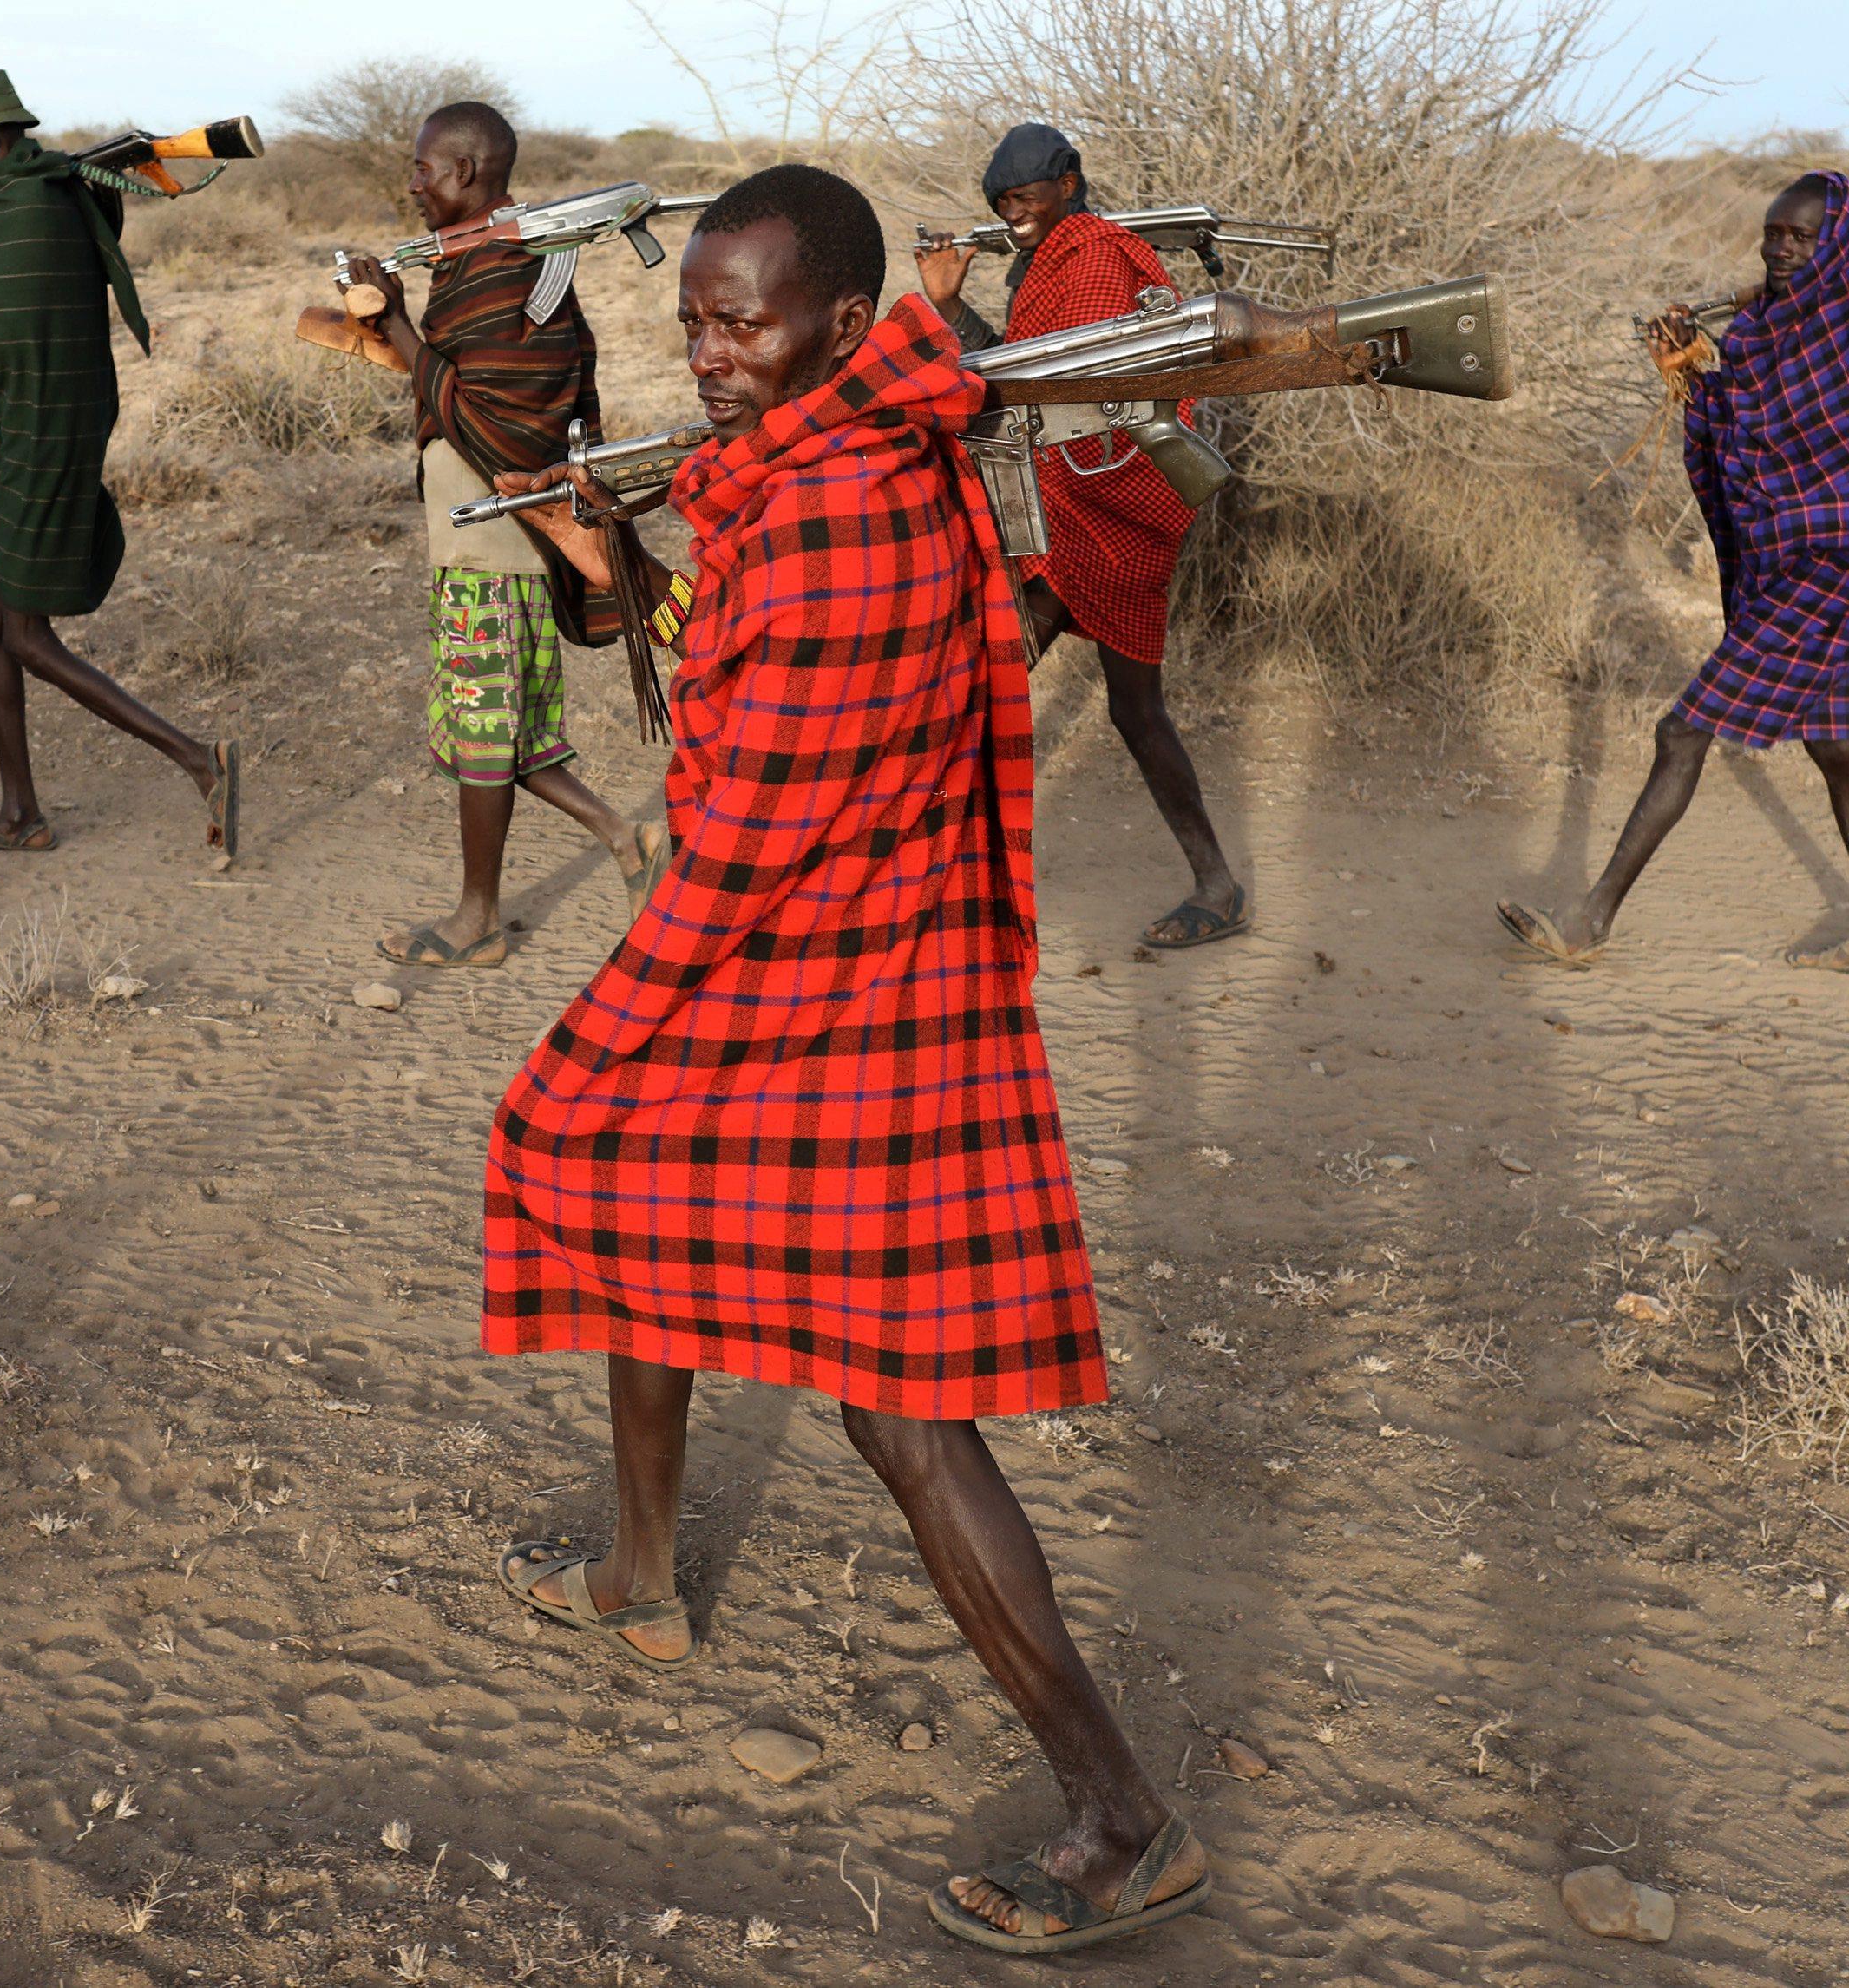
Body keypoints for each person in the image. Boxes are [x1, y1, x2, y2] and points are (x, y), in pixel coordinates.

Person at [480, 163, 1210, 1957]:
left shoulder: (836, 516)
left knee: (894, 1399)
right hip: (848, 957)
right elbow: (719, 683)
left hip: (847, 987)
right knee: (631, 1169)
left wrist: (630, 996)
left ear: (829, 321)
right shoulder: (824, 469)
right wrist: (626, 563)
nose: (709, 352)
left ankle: (1122, 1816)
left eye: (743, 323)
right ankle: (642, 1571)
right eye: (694, 320)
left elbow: (737, 806)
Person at [1499, 169, 1849, 972]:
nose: (1780, 249)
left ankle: (1589, 920)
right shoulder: (1765, 328)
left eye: (1800, 238)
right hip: (1786, 569)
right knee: (1836, 745)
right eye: (1773, 234)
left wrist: (1822, 529)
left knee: (1681, 731)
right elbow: (1743, 430)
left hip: (1834, 568)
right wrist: (1690, 371)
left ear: (1836, 242)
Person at [336, 101, 666, 968]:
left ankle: (477, 915)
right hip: (470, 549)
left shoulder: (515, 271)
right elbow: (457, 389)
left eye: (422, 169)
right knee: (496, 734)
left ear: (468, 172)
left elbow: (510, 427)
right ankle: (623, 839)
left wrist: (400, 328)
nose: (409, 183)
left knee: (485, 738)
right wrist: (392, 321)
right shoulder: (470, 266)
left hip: (499, 548)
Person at [915, 123, 1243, 949]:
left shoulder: (1094, 257)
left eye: (1025, 198)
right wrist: (952, 308)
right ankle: (1217, 883)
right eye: (1003, 204)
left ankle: (929, 886)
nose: (1015, 215)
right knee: (1132, 710)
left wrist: (951, 321)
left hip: (1106, 506)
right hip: (1075, 511)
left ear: (1069, 181)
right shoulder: (1055, 258)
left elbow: (1060, 389)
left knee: (984, 681)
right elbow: (1024, 371)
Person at [0, 70, 235, 860]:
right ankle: (19, 811)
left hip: (46, 426)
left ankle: (199, 761)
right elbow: (86, 213)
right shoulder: (54, 188)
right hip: (44, 415)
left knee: (25, 634)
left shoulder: (24, 201)